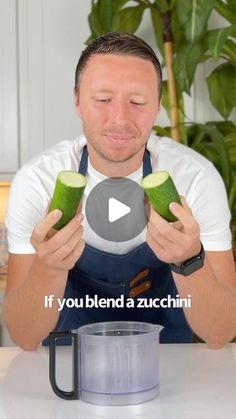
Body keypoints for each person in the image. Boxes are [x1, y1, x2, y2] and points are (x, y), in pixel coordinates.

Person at [3, 32, 236, 351]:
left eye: (138, 102)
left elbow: (221, 332)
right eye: (102, 100)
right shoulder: (39, 181)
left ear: (157, 106)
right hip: (68, 376)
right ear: (77, 102)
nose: (120, 119)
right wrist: (49, 267)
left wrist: (189, 260)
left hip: (168, 373)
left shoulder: (194, 179)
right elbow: (24, 336)